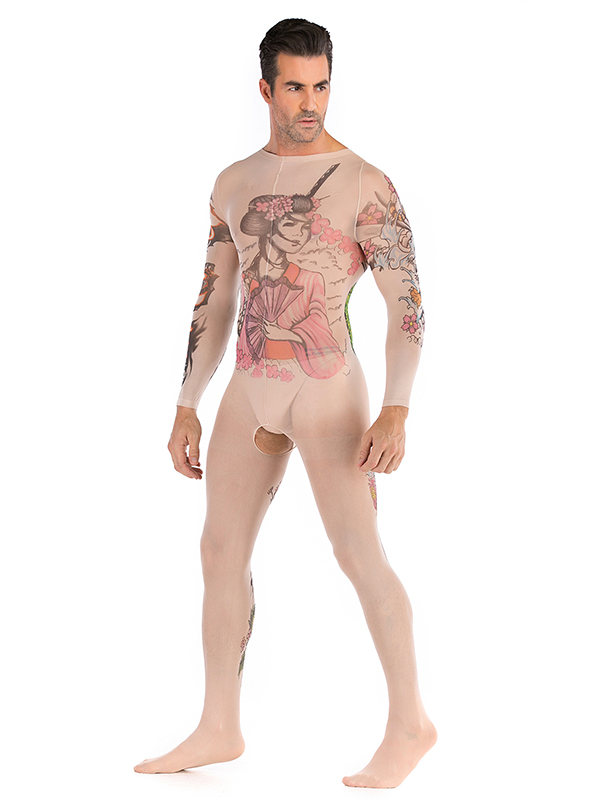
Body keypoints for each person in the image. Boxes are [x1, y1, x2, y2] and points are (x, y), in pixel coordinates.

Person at [134, 17, 437, 789]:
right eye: (296, 87)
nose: (311, 103)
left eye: (322, 85)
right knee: (218, 551)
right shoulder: (233, 182)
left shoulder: (365, 182)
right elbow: (215, 298)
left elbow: (407, 306)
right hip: (249, 390)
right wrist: (186, 401)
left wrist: (397, 408)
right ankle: (219, 725)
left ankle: (411, 722)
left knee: (358, 554)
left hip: (329, 392)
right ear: (266, 88)